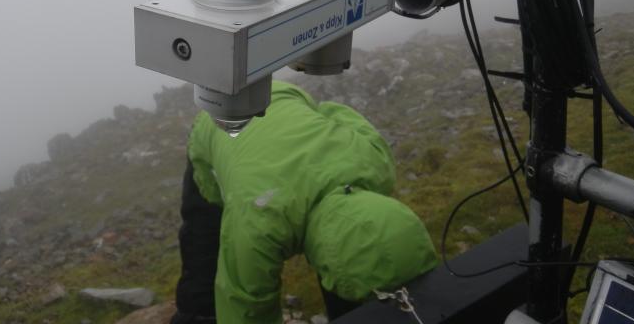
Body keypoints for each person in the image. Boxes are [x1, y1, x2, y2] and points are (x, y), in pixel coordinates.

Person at [171, 80, 436, 324]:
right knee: (205, 248)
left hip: (284, 97)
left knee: (353, 249)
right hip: (220, 117)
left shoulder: (376, 165)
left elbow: (333, 111)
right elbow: (247, 305)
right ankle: (198, 316)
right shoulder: (260, 222)